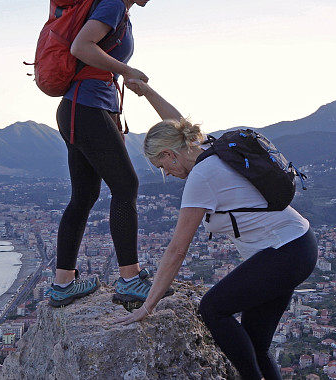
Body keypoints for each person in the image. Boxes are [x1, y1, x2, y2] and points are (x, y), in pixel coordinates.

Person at [114, 80, 318, 380]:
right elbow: (178, 123)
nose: (166, 173)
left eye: (162, 165)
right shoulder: (209, 147)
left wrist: (149, 305)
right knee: (256, 342)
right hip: (298, 243)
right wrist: (147, 93)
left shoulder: (202, 176)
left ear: (171, 154)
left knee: (212, 310)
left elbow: (177, 248)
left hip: (285, 251)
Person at [46, 0, 170, 308]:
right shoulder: (114, 4)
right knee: (127, 185)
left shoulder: (117, 8)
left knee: (84, 196)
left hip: (82, 108)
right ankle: (130, 279)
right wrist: (126, 69)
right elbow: (81, 48)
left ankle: (63, 284)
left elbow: (91, 55)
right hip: (85, 108)